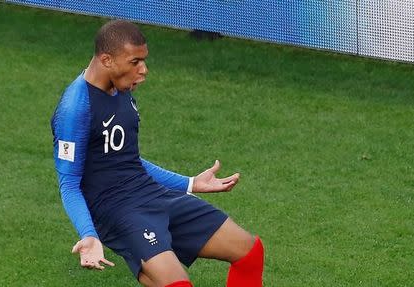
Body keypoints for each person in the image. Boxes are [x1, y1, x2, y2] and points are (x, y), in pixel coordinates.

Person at [51, 20, 264, 287]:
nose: (144, 70)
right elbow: (69, 184)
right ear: (107, 60)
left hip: (150, 194)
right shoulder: (75, 108)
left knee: (250, 252)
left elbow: (126, 159)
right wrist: (89, 234)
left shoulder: (122, 90)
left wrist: (189, 183)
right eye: (135, 62)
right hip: (117, 211)